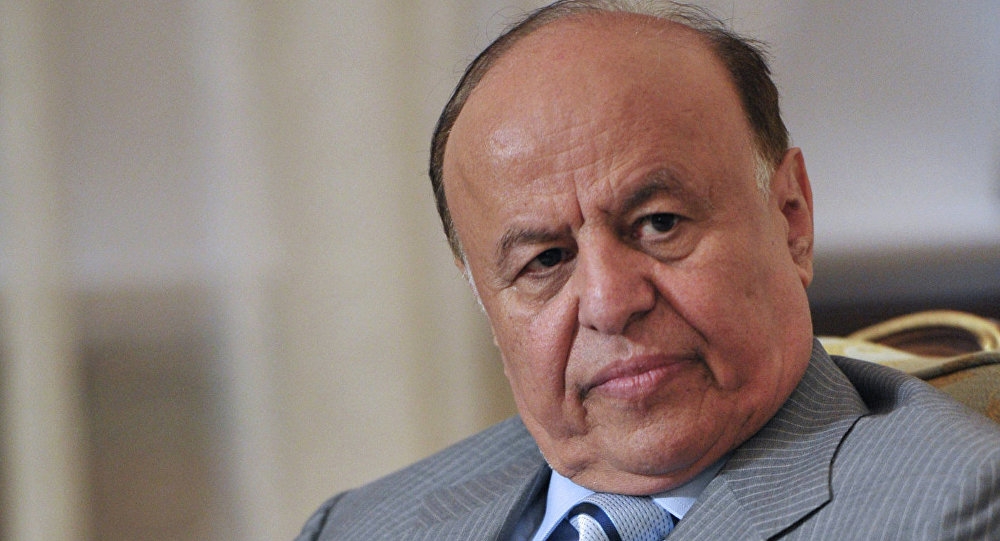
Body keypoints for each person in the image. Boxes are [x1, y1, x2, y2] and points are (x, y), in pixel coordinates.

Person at [296, 1, 1000, 539]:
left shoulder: (952, 506)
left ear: (791, 220)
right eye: (545, 260)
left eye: (659, 223)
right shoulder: (357, 525)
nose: (610, 302)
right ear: (486, 302)